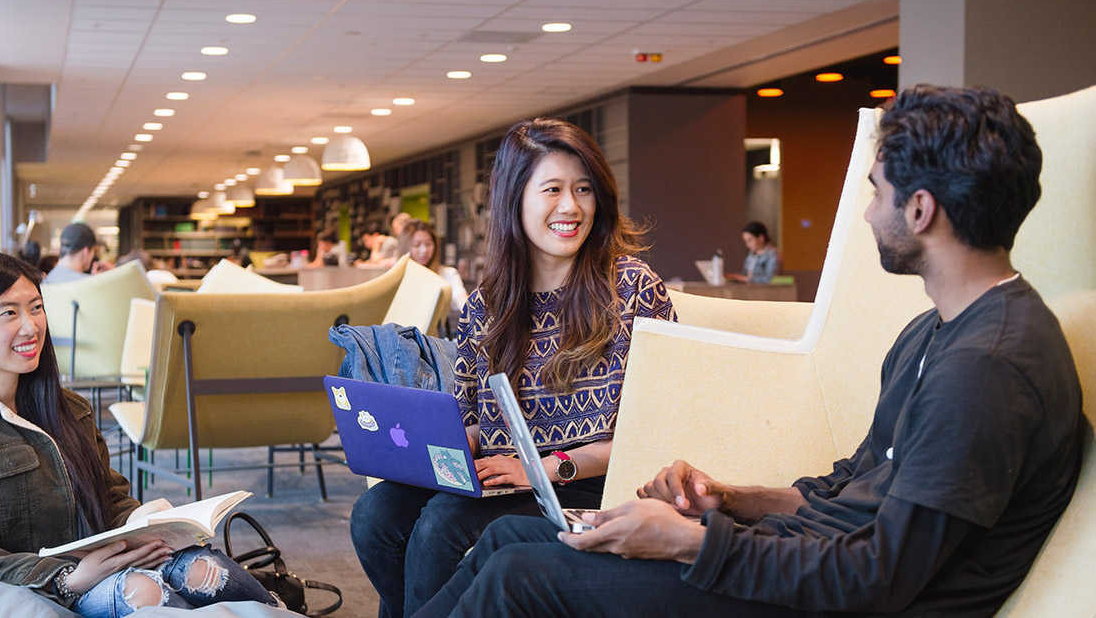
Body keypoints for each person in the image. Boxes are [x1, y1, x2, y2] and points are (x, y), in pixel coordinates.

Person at [414, 85, 1082, 618]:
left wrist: (690, 542)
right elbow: (845, 491)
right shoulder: (935, 331)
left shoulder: (986, 369)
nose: (865, 213)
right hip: (804, 557)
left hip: (834, 597)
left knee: (522, 574)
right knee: (506, 539)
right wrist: (723, 499)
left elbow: (877, 579)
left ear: (919, 212)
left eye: (874, 192)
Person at [351, 117, 678, 618]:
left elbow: (657, 430)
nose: (571, 206)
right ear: (515, 200)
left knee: (442, 524)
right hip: (505, 475)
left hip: (588, 479)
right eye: (552, 189)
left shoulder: (633, 289)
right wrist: (442, 447)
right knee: (375, 515)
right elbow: (474, 416)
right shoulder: (488, 303)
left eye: (583, 190)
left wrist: (540, 467)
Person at [0, 250, 282, 616]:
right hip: (51, 588)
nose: (31, 326)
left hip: (115, 558)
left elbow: (111, 497)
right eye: (9, 312)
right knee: (141, 591)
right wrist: (69, 577)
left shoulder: (70, 407)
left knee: (200, 569)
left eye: (36, 308)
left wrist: (145, 527)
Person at [397, 219, 469, 315]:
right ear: (405, 247)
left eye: (428, 244)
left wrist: (471, 312)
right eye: (416, 245)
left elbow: (462, 299)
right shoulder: (398, 277)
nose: (424, 250)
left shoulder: (448, 274)